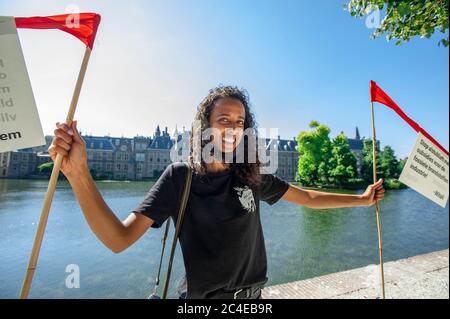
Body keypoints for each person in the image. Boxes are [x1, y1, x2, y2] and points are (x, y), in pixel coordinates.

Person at [49, 85, 385, 299]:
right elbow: (118, 239)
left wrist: (361, 199)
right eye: (223, 119)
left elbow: (308, 198)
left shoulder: (252, 176)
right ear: (205, 127)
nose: (233, 128)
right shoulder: (179, 177)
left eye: (239, 122)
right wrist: (79, 174)